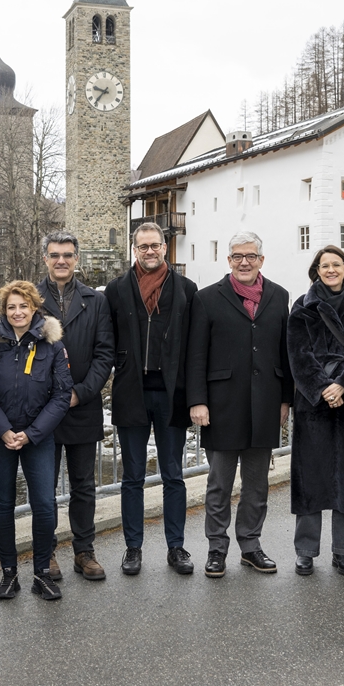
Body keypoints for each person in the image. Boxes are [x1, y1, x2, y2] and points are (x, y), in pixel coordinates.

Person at [187, 231, 291, 578]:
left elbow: (284, 352)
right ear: (228, 260)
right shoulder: (206, 298)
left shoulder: (279, 296)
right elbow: (196, 354)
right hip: (221, 405)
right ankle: (217, 549)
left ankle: (250, 545)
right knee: (219, 483)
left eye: (250, 256)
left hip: (265, 404)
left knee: (257, 484)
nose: (244, 262)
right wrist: (197, 401)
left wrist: (285, 399)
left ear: (261, 260)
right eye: (237, 256)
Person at [105, 223, 198, 576]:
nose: (149, 251)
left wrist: (197, 397)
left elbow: (195, 347)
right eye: (142, 246)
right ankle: (133, 548)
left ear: (164, 247)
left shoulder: (187, 290)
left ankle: (176, 547)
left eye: (154, 245)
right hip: (132, 392)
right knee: (132, 477)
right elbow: (106, 342)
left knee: (174, 474)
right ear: (134, 250)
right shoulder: (115, 290)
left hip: (172, 394)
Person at [0, 280, 73, 600]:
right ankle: (8, 573)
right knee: (3, 505)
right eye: (11, 307)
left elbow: (61, 395)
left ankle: (41, 572)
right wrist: (2, 430)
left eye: (23, 306)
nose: (17, 312)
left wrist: (31, 434)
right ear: (4, 310)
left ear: (34, 308)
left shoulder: (52, 344)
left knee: (44, 504)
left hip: (38, 437)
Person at [286, 246, 344, 577]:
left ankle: (342, 551)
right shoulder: (303, 305)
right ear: (317, 270)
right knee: (311, 478)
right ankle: (306, 551)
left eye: (335, 265)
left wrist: (343, 385)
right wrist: (323, 388)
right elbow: (298, 354)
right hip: (314, 405)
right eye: (324, 265)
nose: (330, 270)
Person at [36, 231, 114, 581]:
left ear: (76, 259)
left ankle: (84, 551)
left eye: (67, 255)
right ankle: (46, 553)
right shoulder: (31, 298)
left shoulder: (95, 300)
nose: (61, 260)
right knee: (44, 487)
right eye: (55, 255)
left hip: (83, 405)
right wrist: (49, 397)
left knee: (83, 485)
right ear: (46, 259)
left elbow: (104, 354)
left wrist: (81, 392)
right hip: (42, 411)